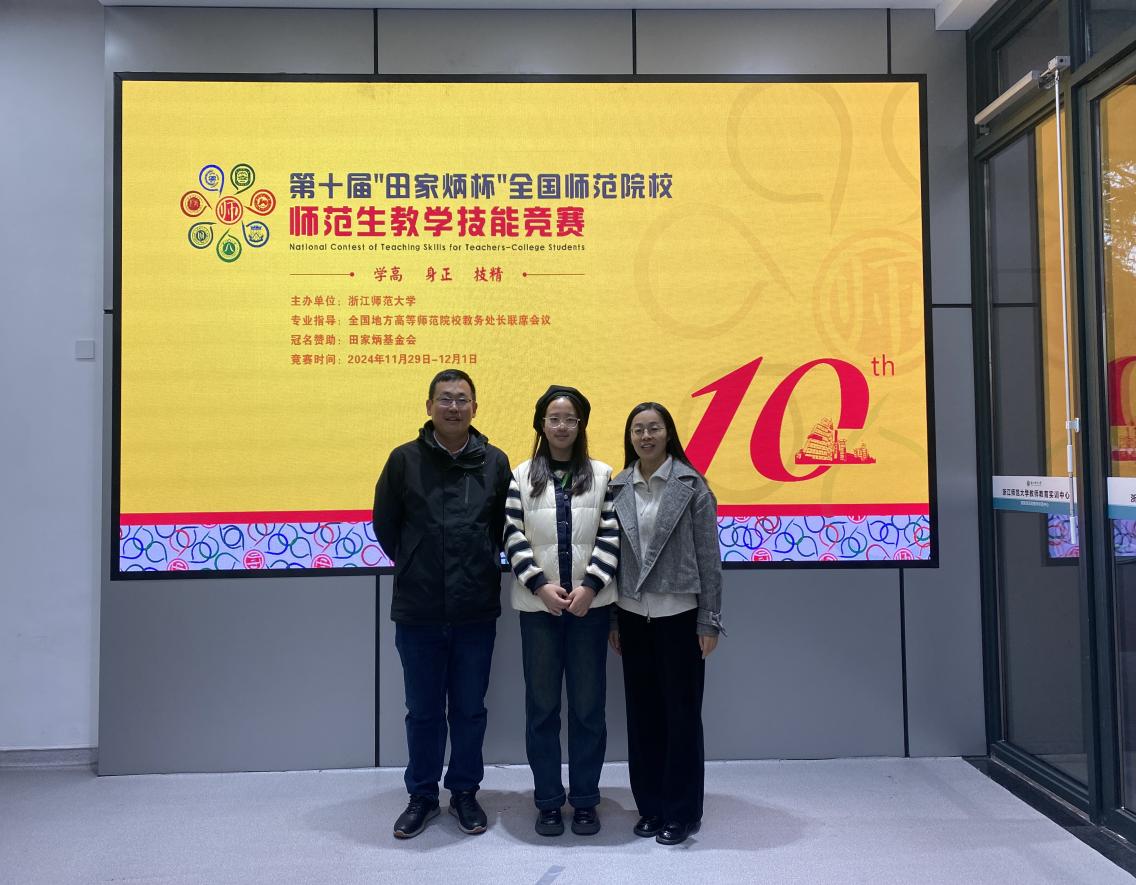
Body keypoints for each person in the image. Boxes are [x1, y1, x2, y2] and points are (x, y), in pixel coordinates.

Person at [372, 369, 512, 840]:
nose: (454, 407)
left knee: (470, 710)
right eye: (445, 399)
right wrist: (417, 561)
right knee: (424, 712)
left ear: (476, 407)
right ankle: (423, 796)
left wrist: (479, 561)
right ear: (429, 406)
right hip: (419, 609)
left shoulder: (494, 462)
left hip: (475, 608)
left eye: (462, 399)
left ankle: (466, 792)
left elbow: (503, 528)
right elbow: (386, 525)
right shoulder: (403, 460)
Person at [503, 385, 619, 837]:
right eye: (554, 418)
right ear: (541, 423)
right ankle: (549, 801)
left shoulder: (603, 474)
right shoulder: (520, 475)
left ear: (581, 424)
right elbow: (511, 535)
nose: (562, 426)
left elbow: (611, 534)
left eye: (570, 419)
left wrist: (591, 586)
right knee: (542, 709)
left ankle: (586, 800)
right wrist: (539, 585)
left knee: (589, 709)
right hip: (539, 612)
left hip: (590, 611)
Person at [607, 402, 724, 846]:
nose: (646, 436)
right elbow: (613, 560)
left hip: (680, 617)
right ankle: (651, 806)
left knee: (681, 715)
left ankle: (682, 811)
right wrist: (613, 618)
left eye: (654, 428)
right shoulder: (617, 486)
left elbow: (710, 560)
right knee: (642, 716)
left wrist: (709, 620)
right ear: (630, 437)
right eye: (638, 429)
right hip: (632, 616)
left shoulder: (692, 486)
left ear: (668, 433)